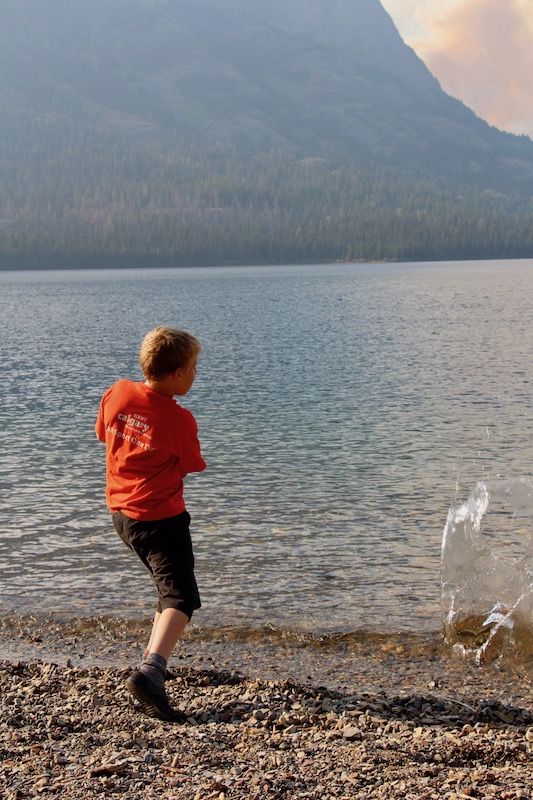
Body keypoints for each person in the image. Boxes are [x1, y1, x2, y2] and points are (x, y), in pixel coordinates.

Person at [95, 325, 206, 722]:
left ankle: (152, 660)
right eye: (193, 368)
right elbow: (191, 465)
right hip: (160, 518)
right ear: (177, 374)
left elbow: (103, 436)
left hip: (121, 515)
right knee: (181, 596)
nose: (196, 374)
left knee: (166, 587)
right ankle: (151, 672)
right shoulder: (178, 419)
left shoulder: (118, 392)